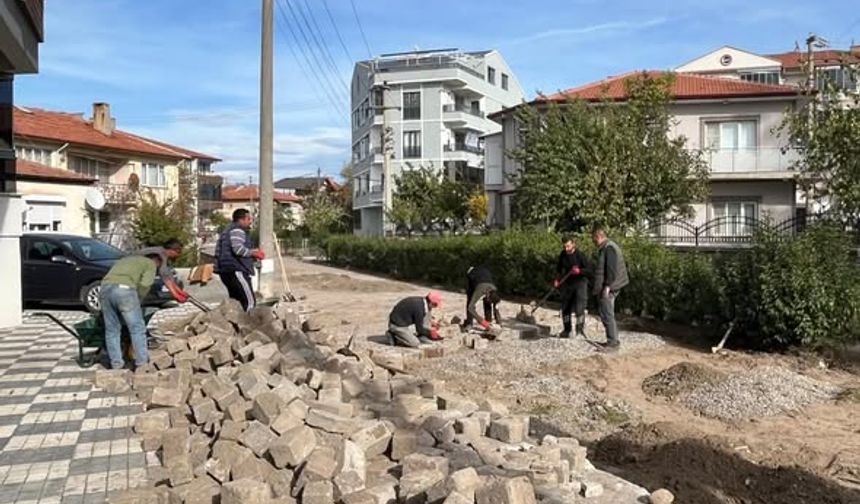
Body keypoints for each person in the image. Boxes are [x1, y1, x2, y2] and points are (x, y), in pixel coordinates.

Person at [100, 253, 164, 370]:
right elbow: (145, 285)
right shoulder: (150, 263)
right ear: (156, 262)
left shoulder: (125, 259)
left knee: (112, 330)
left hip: (104, 288)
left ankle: (116, 365)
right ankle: (142, 364)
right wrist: (138, 300)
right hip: (125, 291)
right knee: (137, 329)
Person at [215, 209, 264, 312]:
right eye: (248, 219)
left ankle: (236, 324)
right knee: (250, 302)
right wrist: (254, 253)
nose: (250, 221)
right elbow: (238, 249)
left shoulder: (226, 231)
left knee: (237, 303)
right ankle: (249, 325)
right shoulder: (237, 230)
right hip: (236, 270)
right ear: (240, 220)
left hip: (225, 271)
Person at [592, 226, 629, 349]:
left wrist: (607, 287)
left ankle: (613, 343)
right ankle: (611, 340)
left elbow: (611, 270)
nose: (593, 242)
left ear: (599, 237)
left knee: (607, 313)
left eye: (594, 239)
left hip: (610, 287)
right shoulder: (608, 247)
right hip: (611, 286)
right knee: (606, 313)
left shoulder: (609, 249)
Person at [554, 236, 590, 338]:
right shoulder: (563, 255)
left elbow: (589, 270)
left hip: (580, 284)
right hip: (567, 284)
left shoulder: (580, 255)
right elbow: (559, 269)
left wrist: (580, 271)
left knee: (580, 309)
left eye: (568, 246)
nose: (566, 249)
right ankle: (566, 330)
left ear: (573, 244)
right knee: (565, 308)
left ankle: (579, 331)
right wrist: (557, 280)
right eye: (564, 247)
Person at [136, 239, 190, 304]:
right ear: (172, 250)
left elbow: (169, 275)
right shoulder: (160, 255)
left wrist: (180, 291)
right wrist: (176, 295)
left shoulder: (161, 252)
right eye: (178, 252)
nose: (178, 255)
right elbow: (165, 278)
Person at [461, 265, 502, 333]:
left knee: (487, 302)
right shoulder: (480, 289)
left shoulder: (495, 292)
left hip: (486, 277)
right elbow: (470, 308)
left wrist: (499, 324)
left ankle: (489, 323)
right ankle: (469, 324)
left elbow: (496, 308)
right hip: (475, 277)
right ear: (488, 294)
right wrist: (482, 322)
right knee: (470, 301)